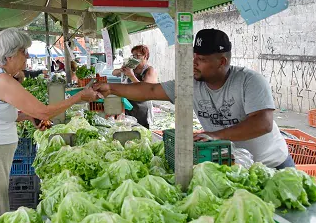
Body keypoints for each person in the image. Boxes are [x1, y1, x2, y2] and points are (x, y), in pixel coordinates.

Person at [0, 28, 99, 223]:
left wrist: (26, 116)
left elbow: (1, 115)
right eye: (23, 51)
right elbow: (44, 111)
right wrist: (80, 96)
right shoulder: (1, 80)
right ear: (10, 55)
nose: (27, 56)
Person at [95, 29, 292, 169]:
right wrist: (111, 88)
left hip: (272, 165)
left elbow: (263, 123)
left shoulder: (249, 81)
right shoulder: (190, 84)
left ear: (222, 61)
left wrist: (216, 135)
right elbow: (151, 90)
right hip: (233, 166)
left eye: (202, 60)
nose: (194, 64)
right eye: (194, 57)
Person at [112, 45, 158, 129]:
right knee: (128, 128)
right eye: (133, 55)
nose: (135, 58)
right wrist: (121, 70)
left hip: (141, 107)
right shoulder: (131, 68)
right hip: (129, 104)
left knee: (141, 130)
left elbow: (147, 90)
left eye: (138, 55)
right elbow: (114, 73)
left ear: (145, 56)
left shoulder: (150, 71)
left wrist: (131, 76)